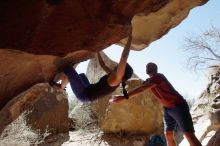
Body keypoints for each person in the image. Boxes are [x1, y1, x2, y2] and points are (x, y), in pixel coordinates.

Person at [111, 62, 202, 146]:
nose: (147, 67)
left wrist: (124, 96)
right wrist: (120, 77)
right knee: (168, 134)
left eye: (150, 65)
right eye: (146, 66)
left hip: (178, 106)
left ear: (155, 68)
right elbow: (139, 84)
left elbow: (142, 88)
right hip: (167, 109)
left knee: (188, 135)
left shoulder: (158, 77)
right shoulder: (149, 80)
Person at [52, 26, 133, 102]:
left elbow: (124, 57)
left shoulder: (116, 79)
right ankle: (66, 81)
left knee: (69, 69)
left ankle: (61, 88)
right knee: (82, 76)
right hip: (88, 88)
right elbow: (103, 65)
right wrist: (97, 51)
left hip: (84, 94)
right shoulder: (113, 75)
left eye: (121, 66)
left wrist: (130, 38)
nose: (119, 65)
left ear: (123, 72)